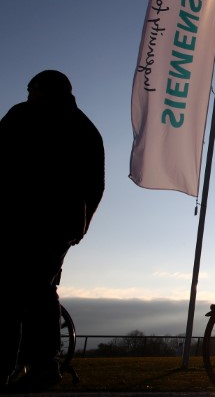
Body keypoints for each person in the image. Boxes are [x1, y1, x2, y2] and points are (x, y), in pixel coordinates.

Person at [0, 70, 105, 391]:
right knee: (35, 288)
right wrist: (81, 224)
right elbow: (95, 185)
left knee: (18, 291)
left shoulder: (22, 115)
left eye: (32, 89)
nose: (29, 94)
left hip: (21, 219)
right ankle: (38, 364)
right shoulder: (85, 127)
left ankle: (32, 364)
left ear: (38, 90)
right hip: (61, 223)